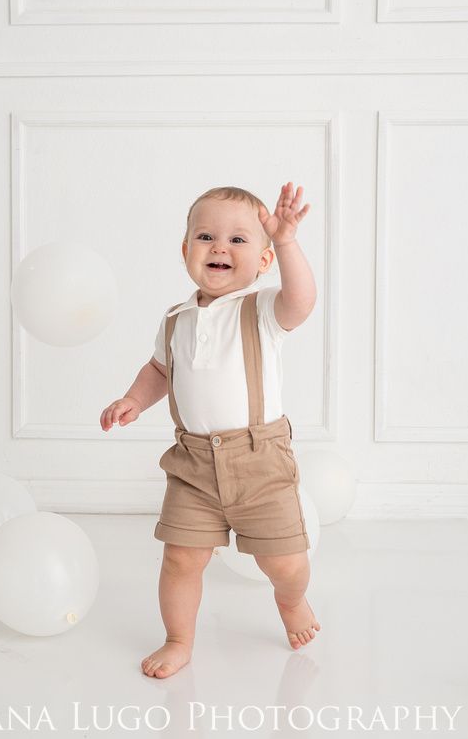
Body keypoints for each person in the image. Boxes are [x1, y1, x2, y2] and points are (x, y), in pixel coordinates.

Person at [100, 183, 321, 678]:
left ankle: (292, 601)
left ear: (263, 260)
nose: (220, 247)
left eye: (239, 240)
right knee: (180, 560)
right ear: (186, 252)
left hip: (259, 459)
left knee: (284, 563)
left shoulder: (262, 309)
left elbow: (301, 302)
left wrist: (286, 241)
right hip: (194, 465)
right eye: (206, 236)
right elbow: (160, 370)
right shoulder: (175, 319)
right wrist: (134, 399)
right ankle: (178, 638)